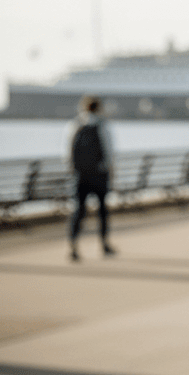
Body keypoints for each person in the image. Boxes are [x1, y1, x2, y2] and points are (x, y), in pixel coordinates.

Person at [66, 96, 117, 262]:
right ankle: (104, 244)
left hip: (80, 176)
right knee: (102, 211)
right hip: (99, 175)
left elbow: (67, 152)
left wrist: (73, 170)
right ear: (99, 108)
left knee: (78, 211)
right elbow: (109, 151)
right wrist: (111, 171)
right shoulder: (103, 126)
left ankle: (73, 247)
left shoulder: (75, 125)